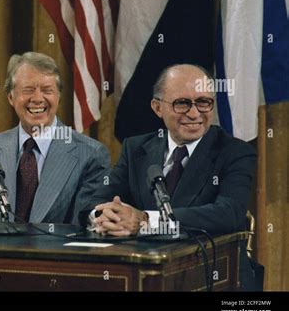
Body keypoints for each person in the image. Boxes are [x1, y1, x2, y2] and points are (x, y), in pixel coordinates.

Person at [84, 64, 257, 289]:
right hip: (148, 276)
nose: (194, 113)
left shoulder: (235, 152)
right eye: (182, 103)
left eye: (203, 102)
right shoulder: (136, 148)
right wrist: (105, 216)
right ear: (157, 107)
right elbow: (91, 203)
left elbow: (229, 214)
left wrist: (146, 221)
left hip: (215, 276)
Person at [0, 52, 110, 225]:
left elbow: (85, 225)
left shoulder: (90, 153)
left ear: (58, 96)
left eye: (47, 90)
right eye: (28, 90)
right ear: (10, 97)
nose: (37, 99)